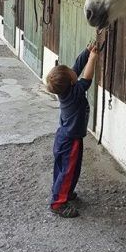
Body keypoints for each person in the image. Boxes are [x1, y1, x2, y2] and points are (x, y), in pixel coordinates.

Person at [44, 42, 99, 218]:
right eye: (70, 72)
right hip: (71, 140)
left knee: (63, 168)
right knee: (68, 170)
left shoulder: (66, 90)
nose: (73, 70)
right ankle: (58, 203)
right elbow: (87, 78)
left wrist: (87, 51)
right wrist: (92, 58)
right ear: (71, 80)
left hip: (64, 137)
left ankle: (63, 192)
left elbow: (76, 66)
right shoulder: (76, 93)